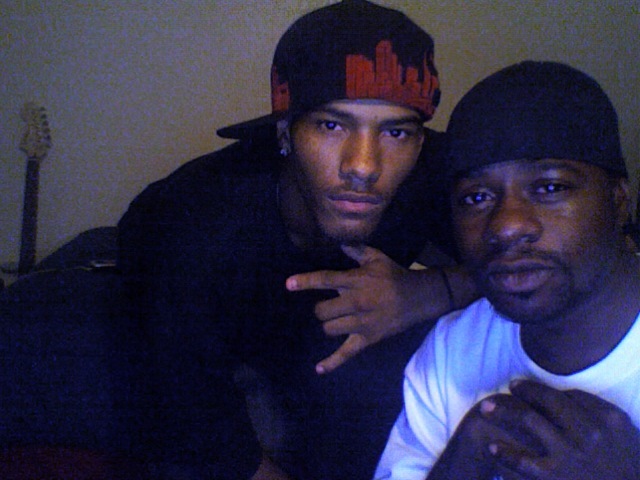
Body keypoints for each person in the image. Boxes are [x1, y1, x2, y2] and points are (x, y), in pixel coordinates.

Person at [118, 1, 476, 479]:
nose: (363, 166)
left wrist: (428, 290)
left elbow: (546, 260)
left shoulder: (432, 174)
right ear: (285, 132)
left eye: (395, 131)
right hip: (166, 309)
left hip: (308, 342)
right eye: (331, 125)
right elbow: (199, 422)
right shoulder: (192, 227)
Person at [375, 60, 640, 479]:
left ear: (619, 200)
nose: (506, 225)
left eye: (550, 187)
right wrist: (458, 467)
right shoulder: (451, 353)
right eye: (476, 197)